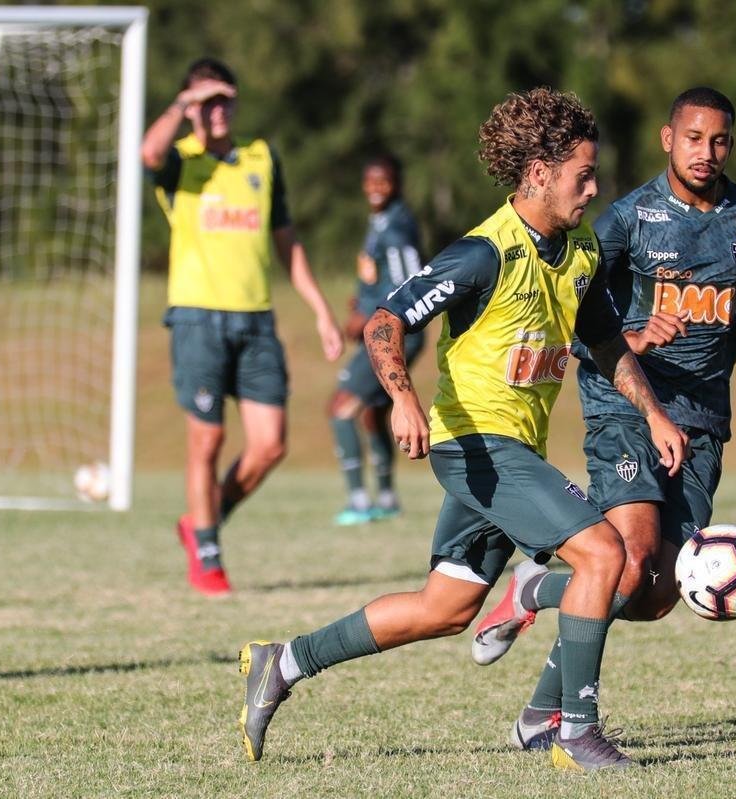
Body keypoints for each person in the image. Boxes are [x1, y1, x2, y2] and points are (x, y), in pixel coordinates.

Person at [237, 87, 689, 773]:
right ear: (539, 173)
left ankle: (285, 660)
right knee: (607, 555)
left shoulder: (580, 250)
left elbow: (603, 342)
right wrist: (403, 398)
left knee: (444, 607)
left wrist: (654, 412)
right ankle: (574, 730)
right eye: (583, 176)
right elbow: (387, 320)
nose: (594, 189)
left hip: (512, 451)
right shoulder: (484, 254)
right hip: (475, 444)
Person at [469, 86, 736, 751]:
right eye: (694, 138)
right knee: (632, 556)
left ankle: (537, 610)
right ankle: (567, 721)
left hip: (702, 420)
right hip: (627, 409)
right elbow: (578, 308)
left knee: (654, 591)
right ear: (667, 138)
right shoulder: (627, 218)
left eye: (721, 140)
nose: (707, 152)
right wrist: (634, 334)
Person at [140, 58, 344, 595]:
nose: (218, 109)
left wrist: (321, 310)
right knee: (206, 439)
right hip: (197, 320)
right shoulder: (180, 161)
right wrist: (184, 105)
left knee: (270, 445)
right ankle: (208, 555)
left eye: (224, 98)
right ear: (189, 108)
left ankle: (201, 522)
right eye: (206, 100)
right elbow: (148, 152)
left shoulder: (260, 157)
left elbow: (287, 241)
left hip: (255, 322)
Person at [328, 155, 427, 525]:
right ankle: (385, 498)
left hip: (392, 335)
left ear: (397, 183)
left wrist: (373, 314)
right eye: (370, 180)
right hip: (388, 332)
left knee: (340, 409)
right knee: (372, 413)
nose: (375, 187)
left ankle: (358, 501)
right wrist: (364, 299)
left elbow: (411, 284)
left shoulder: (397, 229)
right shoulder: (381, 222)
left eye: (382, 180)